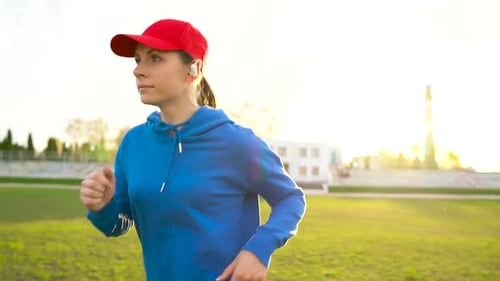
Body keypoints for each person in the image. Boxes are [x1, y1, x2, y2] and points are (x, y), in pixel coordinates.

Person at [79, 18, 306, 281]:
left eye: (155, 59)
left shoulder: (237, 143)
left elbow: (290, 199)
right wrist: (102, 206)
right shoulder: (134, 144)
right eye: (138, 60)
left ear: (193, 69)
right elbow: (118, 224)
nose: (138, 70)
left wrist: (258, 250)